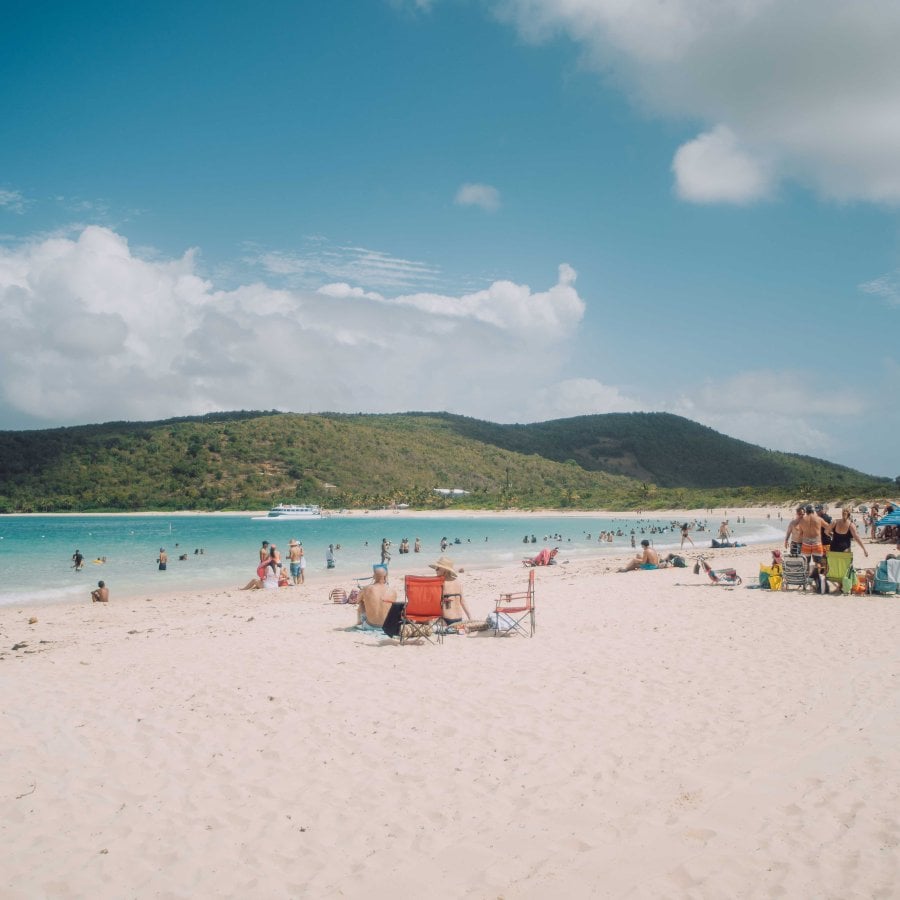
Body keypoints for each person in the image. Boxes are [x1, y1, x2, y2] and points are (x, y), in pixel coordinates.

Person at [430, 555, 471, 626]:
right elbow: (463, 602)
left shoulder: (440, 583)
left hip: (446, 620)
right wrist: (470, 618)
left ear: (445, 570)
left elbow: (434, 603)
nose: (435, 570)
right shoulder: (458, 582)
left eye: (438, 568)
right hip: (459, 620)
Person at [354, 563, 397, 629]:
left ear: (374, 576)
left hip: (371, 625)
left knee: (361, 603)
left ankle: (359, 623)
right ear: (386, 576)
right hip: (387, 626)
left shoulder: (366, 589)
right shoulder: (393, 591)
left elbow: (357, 601)